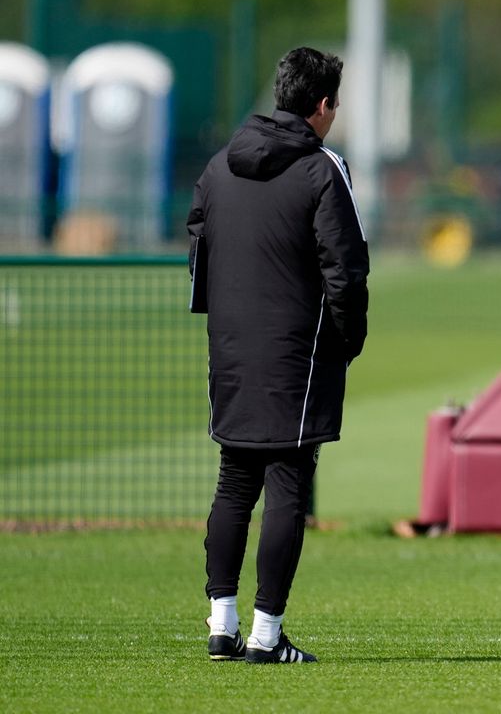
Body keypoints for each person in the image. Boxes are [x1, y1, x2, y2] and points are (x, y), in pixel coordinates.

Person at [187, 47, 369, 664]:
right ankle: (266, 636)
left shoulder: (218, 166)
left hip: (232, 350)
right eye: (335, 104)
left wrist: (225, 319)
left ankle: (221, 626)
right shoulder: (323, 169)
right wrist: (349, 338)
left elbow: (197, 243)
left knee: (234, 482)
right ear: (322, 106)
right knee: (288, 485)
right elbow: (345, 266)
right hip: (298, 349)